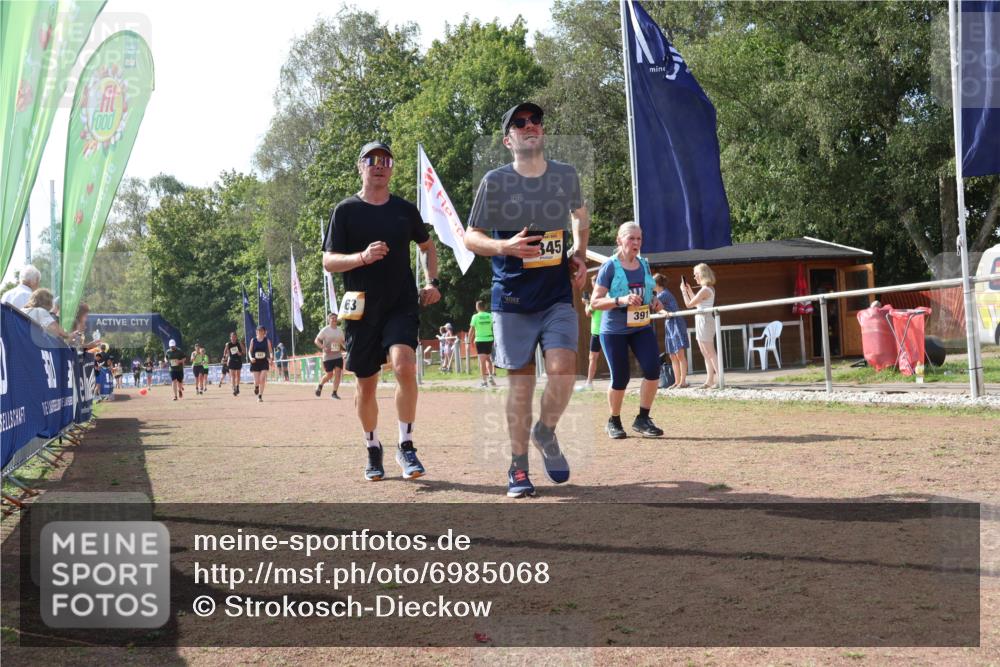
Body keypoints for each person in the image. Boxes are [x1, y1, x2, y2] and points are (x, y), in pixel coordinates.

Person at [464, 101, 589, 498]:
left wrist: (580, 253)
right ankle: (518, 467)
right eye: (520, 123)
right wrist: (505, 246)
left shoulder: (565, 176)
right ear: (508, 140)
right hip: (513, 299)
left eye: (535, 121)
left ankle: (545, 431)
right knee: (520, 387)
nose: (530, 126)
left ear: (543, 132)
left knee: (563, 371)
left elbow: (580, 215)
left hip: (555, 295)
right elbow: (471, 236)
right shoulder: (495, 181)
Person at [322, 140, 441, 482]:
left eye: (386, 160)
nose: (379, 164)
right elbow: (329, 261)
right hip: (360, 309)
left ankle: (406, 444)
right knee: (366, 384)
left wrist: (431, 281)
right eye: (372, 159)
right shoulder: (345, 210)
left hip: (400, 303)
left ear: (391, 169)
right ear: (360, 166)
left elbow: (427, 247)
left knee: (405, 366)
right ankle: (373, 447)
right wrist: (361, 257)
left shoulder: (404, 210)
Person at [590, 222, 665, 439]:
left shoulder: (644, 265)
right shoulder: (610, 267)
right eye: (631, 238)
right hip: (614, 331)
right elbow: (595, 302)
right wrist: (620, 299)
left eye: (639, 239)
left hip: (640, 327)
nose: (635, 243)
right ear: (619, 240)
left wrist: (654, 303)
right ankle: (613, 421)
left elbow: (648, 292)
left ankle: (642, 419)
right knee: (620, 377)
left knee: (653, 370)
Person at [681, 262, 719, 389]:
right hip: (702, 320)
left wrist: (683, 292)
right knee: (705, 352)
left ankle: (720, 379)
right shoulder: (706, 289)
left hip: (705, 320)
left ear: (702, 274)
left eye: (696, 274)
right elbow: (697, 304)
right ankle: (710, 380)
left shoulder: (705, 289)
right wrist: (690, 291)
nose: (694, 277)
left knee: (710, 352)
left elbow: (689, 304)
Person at [654, 273, 690, 389]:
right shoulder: (659, 295)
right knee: (672, 355)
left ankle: (683, 381)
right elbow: (658, 308)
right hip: (669, 324)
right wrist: (664, 313)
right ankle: (677, 381)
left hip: (676, 323)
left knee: (679, 354)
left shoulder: (663, 294)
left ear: (656, 284)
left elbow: (653, 305)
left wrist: (663, 312)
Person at [577, 275, 603, 392]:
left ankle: (589, 383)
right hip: (599, 331)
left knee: (593, 358)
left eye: (594, 283)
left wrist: (586, 303)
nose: (593, 286)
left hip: (601, 331)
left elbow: (588, 312)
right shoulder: (604, 295)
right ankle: (589, 383)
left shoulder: (596, 297)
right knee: (593, 358)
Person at [314, 312, 346, 399]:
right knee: (329, 374)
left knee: (338, 373)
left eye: (335, 318)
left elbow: (343, 342)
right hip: (328, 356)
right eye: (332, 318)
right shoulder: (325, 330)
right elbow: (316, 340)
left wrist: (347, 348)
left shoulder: (340, 330)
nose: (334, 320)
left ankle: (334, 393)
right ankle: (320, 385)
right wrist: (323, 347)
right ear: (329, 320)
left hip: (338, 355)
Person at [469, 301, 497, 388]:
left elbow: (472, 330)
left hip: (480, 340)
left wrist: (468, 341)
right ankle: (491, 376)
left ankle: (484, 382)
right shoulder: (490, 315)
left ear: (477, 307)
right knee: (488, 359)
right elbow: (495, 327)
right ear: (484, 307)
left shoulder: (475, 316)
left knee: (482, 361)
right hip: (490, 339)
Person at [248, 325, 274, 403]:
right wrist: (250, 358)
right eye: (258, 331)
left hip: (264, 362)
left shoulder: (267, 340)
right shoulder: (253, 340)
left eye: (261, 331)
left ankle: (260, 396)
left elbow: (270, 351)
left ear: (264, 332)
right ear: (257, 332)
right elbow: (249, 351)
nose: (260, 332)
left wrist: (271, 358)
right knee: (257, 381)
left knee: (262, 379)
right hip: (255, 362)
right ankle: (256, 387)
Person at [221, 332, 245, 397]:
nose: (233, 338)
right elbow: (225, 351)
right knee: (233, 376)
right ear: (230, 338)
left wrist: (240, 353)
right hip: (231, 361)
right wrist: (224, 358)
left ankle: (237, 386)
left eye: (234, 337)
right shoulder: (228, 344)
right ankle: (234, 389)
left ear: (236, 337)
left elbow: (244, 351)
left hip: (238, 361)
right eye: (232, 337)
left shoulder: (239, 343)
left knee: (238, 375)